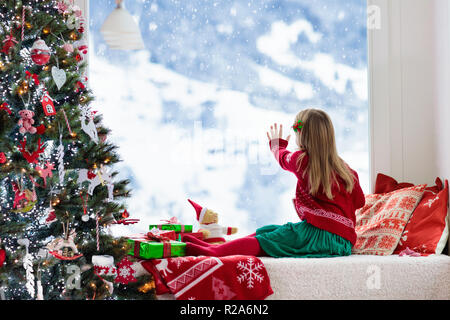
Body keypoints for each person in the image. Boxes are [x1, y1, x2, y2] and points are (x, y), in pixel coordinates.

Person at [184, 108, 365, 258]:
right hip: (343, 243)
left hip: (316, 236)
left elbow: (282, 158)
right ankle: (224, 247)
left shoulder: (302, 160)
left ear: (301, 135)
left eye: (297, 130)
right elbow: (360, 201)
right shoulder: (348, 172)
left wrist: (277, 145)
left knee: (267, 240)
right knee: (268, 230)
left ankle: (212, 252)